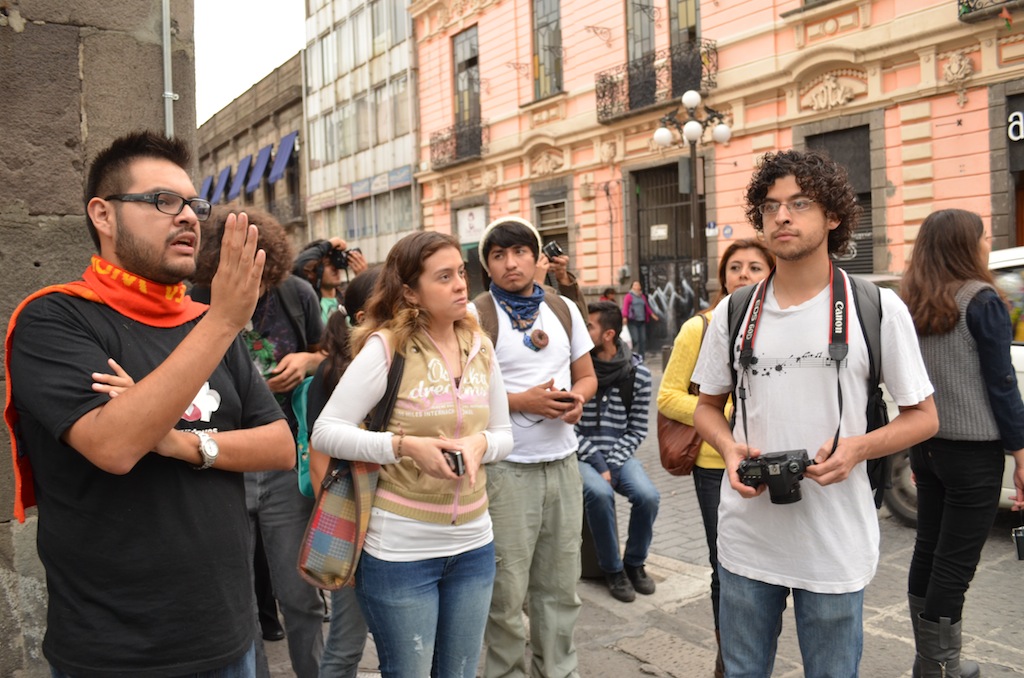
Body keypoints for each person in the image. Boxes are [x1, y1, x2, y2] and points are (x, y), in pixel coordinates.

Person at [3, 131, 295, 676]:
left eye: (192, 203)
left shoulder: (203, 324)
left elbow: (280, 444)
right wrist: (226, 319)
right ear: (104, 215)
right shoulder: (57, 319)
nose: (187, 216)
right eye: (163, 201)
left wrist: (178, 442)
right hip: (119, 651)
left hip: (229, 636)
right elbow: (114, 445)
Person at [692, 149, 939, 677]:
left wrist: (858, 448)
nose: (782, 216)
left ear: (832, 217)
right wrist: (730, 448)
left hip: (834, 544)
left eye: (800, 203)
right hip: (747, 541)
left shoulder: (876, 307)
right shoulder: (734, 312)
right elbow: (707, 408)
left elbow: (924, 416)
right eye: (771, 205)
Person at [311, 231, 514, 678]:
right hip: (400, 549)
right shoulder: (387, 348)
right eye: (444, 277)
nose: (462, 285)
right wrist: (403, 447)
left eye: (461, 273)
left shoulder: (481, 347)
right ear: (410, 291)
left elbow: (504, 434)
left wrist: (481, 445)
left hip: (474, 544)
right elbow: (326, 432)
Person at [193, 206, 327, 678]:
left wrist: (309, 360)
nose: (256, 289)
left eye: (263, 279)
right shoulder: (194, 300)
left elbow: (329, 355)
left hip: (285, 463)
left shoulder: (296, 293)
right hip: (221, 464)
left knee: (298, 592)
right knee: (240, 600)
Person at [900, 208, 1024, 677]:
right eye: (983, 236)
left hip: (927, 445)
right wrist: (1021, 452)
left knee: (929, 550)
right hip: (973, 453)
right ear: (964, 245)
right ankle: (940, 667)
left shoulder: (910, 303)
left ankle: (929, 660)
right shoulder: (982, 299)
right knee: (954, 564)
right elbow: (1001, 383)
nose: (987, 243)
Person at [475, 216, 598, 678]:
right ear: (487, 264)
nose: (511, 263)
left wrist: (577, 400)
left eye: (520, 252)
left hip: (563, 464)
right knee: (505, 589)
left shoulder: (562, 308)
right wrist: (521, 401)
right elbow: (460, 392)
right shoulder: (476, 315)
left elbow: (586, 375)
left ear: (536, 257)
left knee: (561, 586)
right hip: (505, 470)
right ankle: (506, 672)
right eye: (499, 255)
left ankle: (558, 670)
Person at [656, 237, 774, 677]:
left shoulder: (782, 325)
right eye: (736, 267)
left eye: (755, 267)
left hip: (772, 461)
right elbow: (668, 396)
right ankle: (729, 663)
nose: (744, 275)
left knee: (767, 570)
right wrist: (727, 413)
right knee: (725, 567)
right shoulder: (700, 327)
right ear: (722, 277)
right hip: (713, 466)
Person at [307, 266, 381, 678]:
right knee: (346, 643)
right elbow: (319, 458)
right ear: (359, 320)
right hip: (355, 523)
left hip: (403, 522)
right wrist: (347, 536)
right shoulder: (334, 372)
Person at [576, 300, 659, 603]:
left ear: (608, 334)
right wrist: (599, 462)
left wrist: (611, 461)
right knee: (599, 493)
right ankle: (612, 570)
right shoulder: (577, 370)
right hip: (582, 454)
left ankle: (634, 564)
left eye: (590, 326)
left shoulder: (638, 374)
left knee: (648, 497)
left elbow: (637, 429)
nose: (583, 331)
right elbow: (568, 427)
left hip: (619, 454)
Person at [293, 237, 368, 324]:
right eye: (328, 264)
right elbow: (298, 266)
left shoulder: (347, 300)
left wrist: (364, 280)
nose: (334, 268)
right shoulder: (307, 301)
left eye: (335, 262)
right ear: (312, 270)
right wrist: (329, 244)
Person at [622, 280, 659, 355]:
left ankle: (641, 356)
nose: (637, 286)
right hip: (633, 321)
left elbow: (647, 307)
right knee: (635, 339)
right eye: (635, 285)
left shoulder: (642, 296)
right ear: (632, 287)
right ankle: (634, 355)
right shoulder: (629, 296)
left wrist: (652, 315)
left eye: (638, 285)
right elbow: (625, 307)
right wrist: (624, 317)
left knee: (643, 339)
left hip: (641, 321)